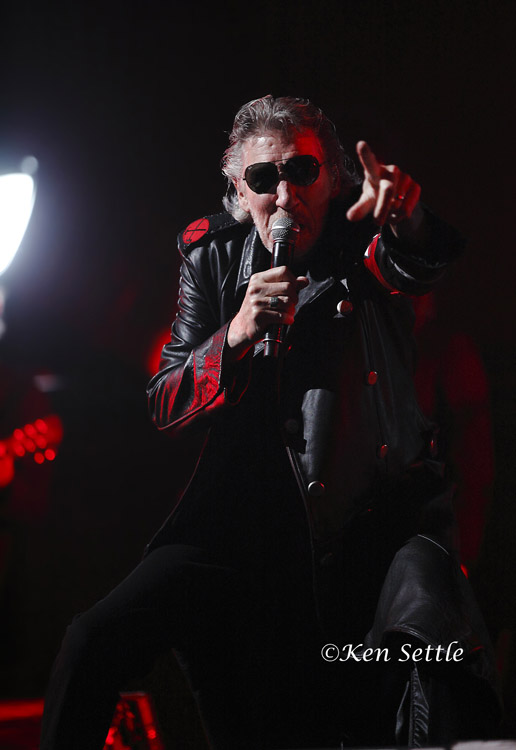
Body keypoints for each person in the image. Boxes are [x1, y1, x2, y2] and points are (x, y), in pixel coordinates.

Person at [41, 95, 501, 750]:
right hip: (234, 526)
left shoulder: (359, 239)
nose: (284, 195)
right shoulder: (210, 254)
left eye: (302, 171)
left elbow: (415, 261)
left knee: (361, 697)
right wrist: (233, 335)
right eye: (263, 177)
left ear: (332, 178)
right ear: (239, 188)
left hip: (353, 522)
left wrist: (409, 218)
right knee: (91, 640)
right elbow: (165, 400)